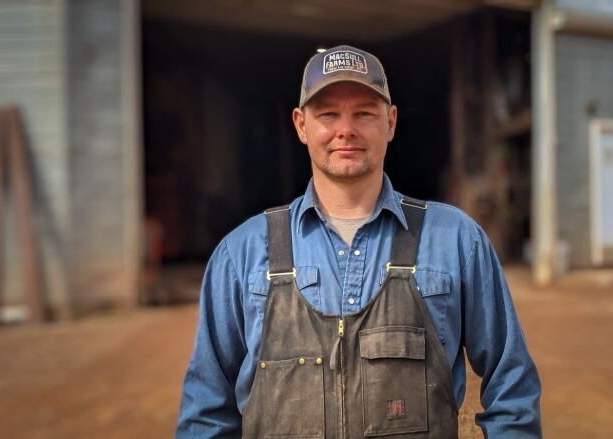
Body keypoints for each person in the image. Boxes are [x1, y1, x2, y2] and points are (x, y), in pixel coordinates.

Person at [176, 44, 541, 438]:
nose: (345, 129)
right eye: (328, 114)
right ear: (301, 125)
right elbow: (207, 415)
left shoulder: (455, 240)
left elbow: (512, 388)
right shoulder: (241, 254)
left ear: (391, 122)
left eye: (364, 113)